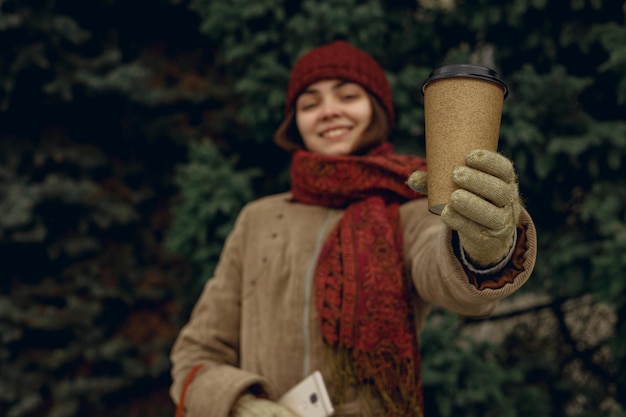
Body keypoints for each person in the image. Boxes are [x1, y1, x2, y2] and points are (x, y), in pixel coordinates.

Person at [169, 40, 537, 417]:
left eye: (347, 96)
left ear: (375, 110)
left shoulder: (409, 209)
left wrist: (485, 246)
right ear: (294, 122)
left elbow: (445, 275)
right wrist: (241, 404)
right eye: (310, 104)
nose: (328, 112)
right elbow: (197, 354)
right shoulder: (259, 219)